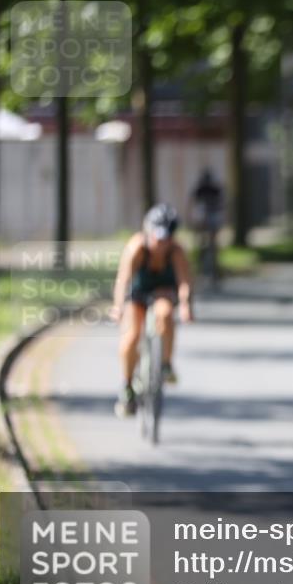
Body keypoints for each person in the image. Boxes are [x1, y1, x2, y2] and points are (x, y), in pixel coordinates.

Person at [110, 203, 194, 417]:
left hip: (162, 291)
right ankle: (127, 386)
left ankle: (165, 364)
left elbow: (184, 282)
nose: (160, 243)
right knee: (131, 335)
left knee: (165, 315)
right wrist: (118, 307)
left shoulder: (176, 252)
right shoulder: (137, 248)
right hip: (136, 293)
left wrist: (185, 305)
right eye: (156, 236)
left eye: (165, 238)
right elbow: (123, 280)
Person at [190, 169, 224, 285]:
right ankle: (206, 271)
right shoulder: (210, 189)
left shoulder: (208, 189)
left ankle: (214, 273)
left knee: (210, 247)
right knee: (207, 246)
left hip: (209, 220)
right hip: (206, 219)